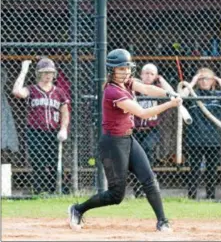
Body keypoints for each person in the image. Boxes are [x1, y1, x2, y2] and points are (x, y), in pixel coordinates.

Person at [68, 49, 182, 232]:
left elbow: (146, 88)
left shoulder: (127, 83)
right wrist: (170, 104)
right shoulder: (112, 91)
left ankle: (162, 221)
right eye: (120, 69)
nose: (125, 72)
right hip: (112, 144)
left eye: (127, 68)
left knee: (149, 179)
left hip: (128, 138)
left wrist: (169, 94)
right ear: (111, 71)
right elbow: (142, 112)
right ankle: (78, 209)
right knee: (116, 195)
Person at [12, 58, 70, 194]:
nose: (48, 75)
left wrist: (63, 129)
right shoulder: (32, 89)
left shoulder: (59, 92)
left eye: (50, 72)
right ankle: (39, 191)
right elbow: (17, 91)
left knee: (54, 162)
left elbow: (65, 112)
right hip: (35, 131)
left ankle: (53, 191)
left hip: (53, 132)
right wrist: (23, 71)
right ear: (39, 73)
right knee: (38, 163)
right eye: (44, 72)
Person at [181, 67, 221, 199]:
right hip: (195, 139)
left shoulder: (219, 95)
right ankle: (192, 196)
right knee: (194, 170)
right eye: (201, 78)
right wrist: (192, 82)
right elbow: (180, 98)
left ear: (213, 81)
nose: (204, 81)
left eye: (207, 78)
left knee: (212, 170)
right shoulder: (192, 94)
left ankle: (211, 196)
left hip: (214, 140)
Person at [133, 63, 166, 197]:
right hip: (136, 128)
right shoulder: (135, 88)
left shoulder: (157, 89)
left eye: (152, 74)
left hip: (152, 129)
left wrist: (162, 80)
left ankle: (150, 183)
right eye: (146, 73)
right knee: (135, 158)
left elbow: (170, 93)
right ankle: (138, 190)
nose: (148, 76)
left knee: (147, 149)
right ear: (140, 74)